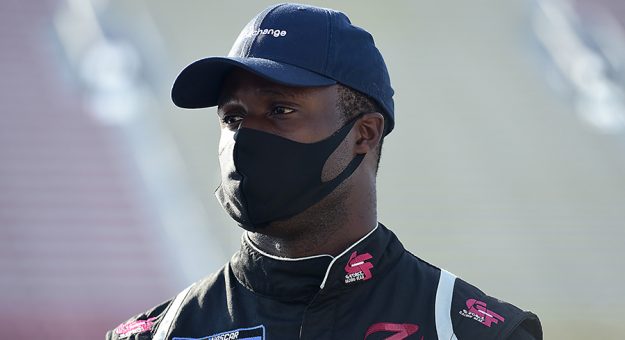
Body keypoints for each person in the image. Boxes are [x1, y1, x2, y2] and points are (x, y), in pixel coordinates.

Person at [106, 3, 542, 339]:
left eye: (280, 110)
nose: (243, 141)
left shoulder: (469, 329)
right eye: (233, 118)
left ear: (364, 135)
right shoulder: (160, 332)